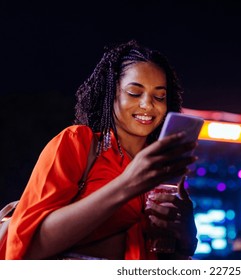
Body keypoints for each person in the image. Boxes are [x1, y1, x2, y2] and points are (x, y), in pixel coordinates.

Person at [3, 40, 199, 260]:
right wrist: (127, 184)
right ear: (111, 94)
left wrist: (187, 236)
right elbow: (26, 246)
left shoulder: (160, 170)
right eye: (134, 93)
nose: (148, 105)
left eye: (159, 96)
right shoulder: (78, 142)